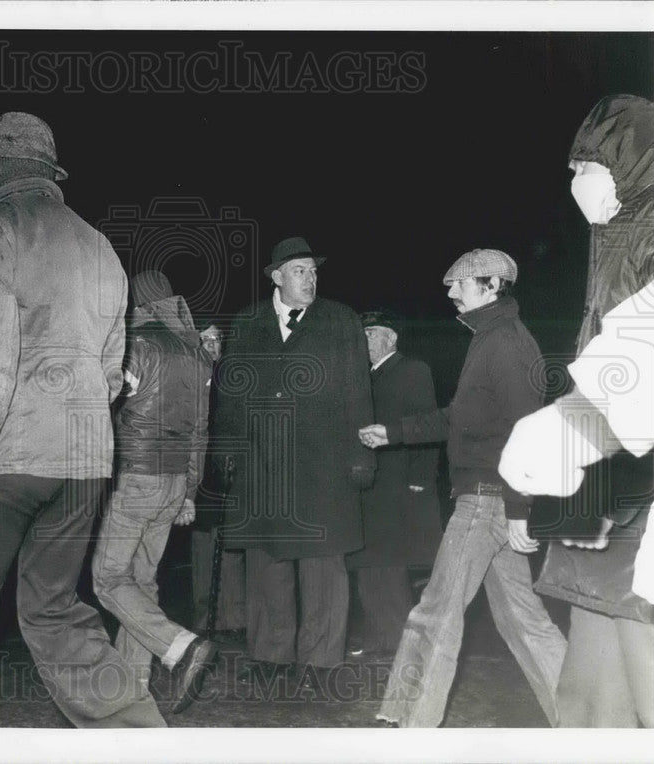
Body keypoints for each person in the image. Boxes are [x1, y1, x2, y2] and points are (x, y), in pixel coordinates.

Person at [0, 112, 165, 728]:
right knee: (53, 613)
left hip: (8, 457)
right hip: (84, 462)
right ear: (48, 174)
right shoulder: (99, 244)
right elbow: (112, 373)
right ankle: (141, 733)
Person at [359, 248, 566, 728]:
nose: (450, 291)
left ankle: (408, 723)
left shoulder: (506, 344)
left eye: (460, 283)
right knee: (524, 620)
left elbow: (525, 428)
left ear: (492, 286)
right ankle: (585, 715)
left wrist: (518, 508)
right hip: (492, 499)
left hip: (487, 499)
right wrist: (393, 432)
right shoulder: (489, 338)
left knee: (434, 611)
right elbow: (462, 416)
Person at [498, 94, 654, 727]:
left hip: (644, 495)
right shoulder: (618, 237)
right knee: (594, 679)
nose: (572, 182)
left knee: (646, 658)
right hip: (612, 494)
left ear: (626, 165)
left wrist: (574, 428)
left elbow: (650, 358)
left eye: (582, 167)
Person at [213, 236, 375, 689]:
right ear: (276, 276)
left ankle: (322, 662)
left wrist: (362, 456)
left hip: (326, 464)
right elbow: (229, 394)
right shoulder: (247, 322)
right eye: (300, 270)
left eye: (314, 271)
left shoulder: (341, 320)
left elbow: (359, 390)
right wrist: (226, 450)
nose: (311, 279)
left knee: (324, 564)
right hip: (265, 466)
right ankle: (271, 655)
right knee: (268, 560)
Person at [91, 270, 216, 714]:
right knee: (141, 580)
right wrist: (189, 492)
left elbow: (106, 404)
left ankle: (179, 645)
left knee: (107, 579)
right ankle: (133, 686)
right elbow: (201, 431)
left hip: (138, 476)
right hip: (174, 483)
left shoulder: (137, 345)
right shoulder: (197, 353)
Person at [346, 311, 441, 657]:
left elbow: (426, 423)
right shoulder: (365, 376)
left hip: (398, 482)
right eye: (363, 333)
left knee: (388, 565)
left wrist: (420, 478)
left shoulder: (412, 370)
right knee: (368, 564)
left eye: (371, 333)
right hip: (371, 484)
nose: (365, 339)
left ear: (391, 338)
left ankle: (401, 642)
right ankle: (377, 638)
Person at [189, 323, 246, 636]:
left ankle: (234, 619)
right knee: (202, 547)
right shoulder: (190, 376)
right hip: (200, 475)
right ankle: (204, 619)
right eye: (205, 339)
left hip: (231, 471)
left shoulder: (234, 377)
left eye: (217, 338)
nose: (212, 345)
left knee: (232, 546)